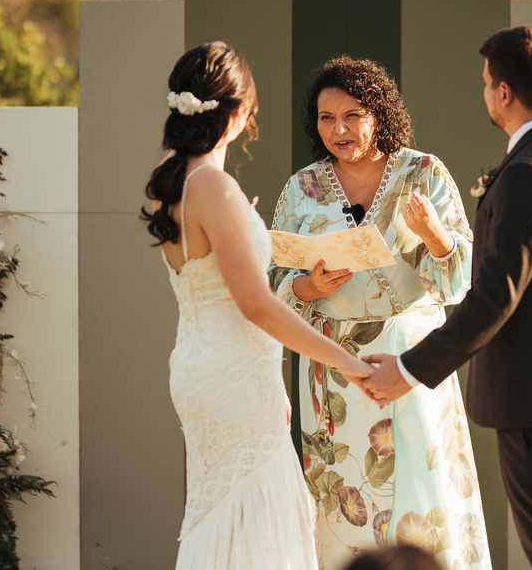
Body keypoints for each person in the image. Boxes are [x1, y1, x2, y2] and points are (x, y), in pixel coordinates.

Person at [363, 26, 532, 570]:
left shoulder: (529, 172)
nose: (484, 94)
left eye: (485, 84)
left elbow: (495, 298)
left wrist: (408, 370)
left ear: (504, 92)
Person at [142, 42, 375, 570]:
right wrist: (347, 361)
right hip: (233, 377)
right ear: (241, 113)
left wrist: (274, 383)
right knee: (259, 526)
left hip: (204, 368)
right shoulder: (214, 187)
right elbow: (256, 305)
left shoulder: (170, 182)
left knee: (225, 520)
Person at [268, 56, 491, 570]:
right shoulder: (301, 188)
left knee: (423, 486)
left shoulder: (424, 172)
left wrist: (435, 236)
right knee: (342, 498)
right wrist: (307, 285)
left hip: (411, 357)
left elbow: (462, 281)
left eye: (353, 115)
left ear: (380, 114)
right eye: (326, 118)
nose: (339, 129)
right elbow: (271, 280)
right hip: (332, 368)